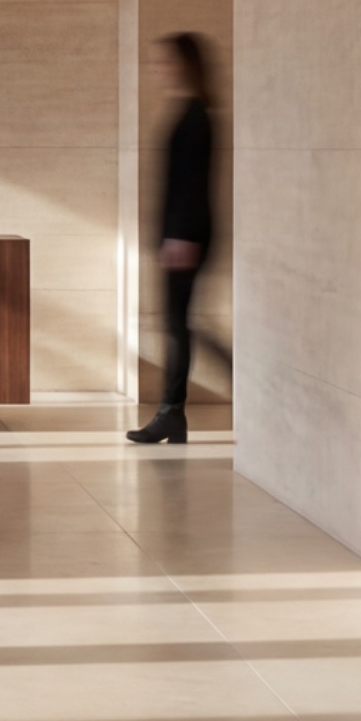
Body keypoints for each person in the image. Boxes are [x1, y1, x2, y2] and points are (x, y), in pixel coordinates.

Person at [129, 32, 217, 444]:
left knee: (178, 324)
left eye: (165, 60)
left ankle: (171, 412)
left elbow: (193, 185)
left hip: (187, 237)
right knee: (177, 323)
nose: (158, 68)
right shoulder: (189, 110)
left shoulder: (197, 115)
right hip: (181, 236)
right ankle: (171, 413)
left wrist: (180, 236)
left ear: (185, 63)